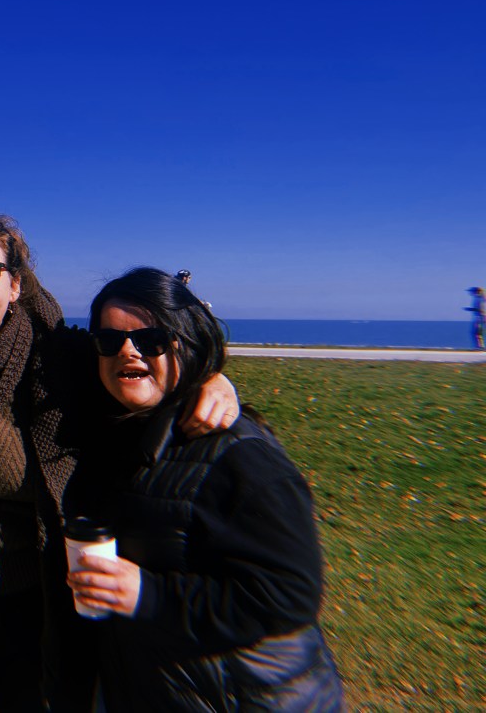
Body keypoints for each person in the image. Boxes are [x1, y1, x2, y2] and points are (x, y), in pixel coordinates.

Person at [0, 214, 240, 712]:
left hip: (44, 603)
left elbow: (138, 375)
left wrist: (207, 378)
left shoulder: (61, 359)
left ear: (16, 284)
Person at [67, 267, 344, 710]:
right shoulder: (119, 430)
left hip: (244, 696)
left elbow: (289, 595)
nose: (128, 352)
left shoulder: (240, 457)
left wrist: (148, 594)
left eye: (151, 340)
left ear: (186, 341)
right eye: (109, 341)